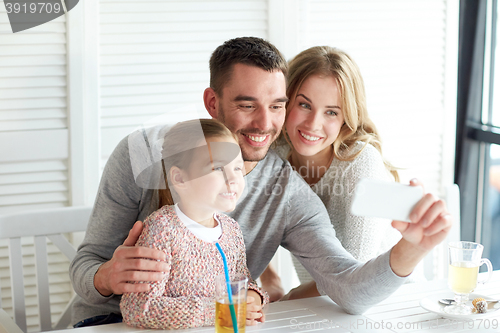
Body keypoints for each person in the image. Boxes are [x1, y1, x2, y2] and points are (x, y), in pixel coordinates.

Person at [70, 37, 452, 327]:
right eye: (246, 104)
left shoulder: (286, 192)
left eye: (276, 105)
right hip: (105, 325)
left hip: (213, 327)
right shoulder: (145, 152)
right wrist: (105, 277)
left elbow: (347, 289)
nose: (265, 124)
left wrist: (412, 249)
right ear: (212, 102)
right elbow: (85, 266)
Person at [272, 46, 403, 290]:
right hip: (323, 309)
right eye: (304, 105)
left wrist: (287, 300)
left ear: (346, 118)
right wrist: (271, 281)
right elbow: (241, 222)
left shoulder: (361, 163)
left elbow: (353, 279)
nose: (313, 124)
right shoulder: (275, 154)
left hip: (384, 304)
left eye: (331, 112)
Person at [119, 119, 267, 329]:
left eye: (237, 168)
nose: (233, 178)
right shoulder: (162, 230)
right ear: (179, 179)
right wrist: (218, 311)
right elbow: (139, 309)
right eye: (217, 168)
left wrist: (253, 297)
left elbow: (243, 283)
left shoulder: (232, 230)